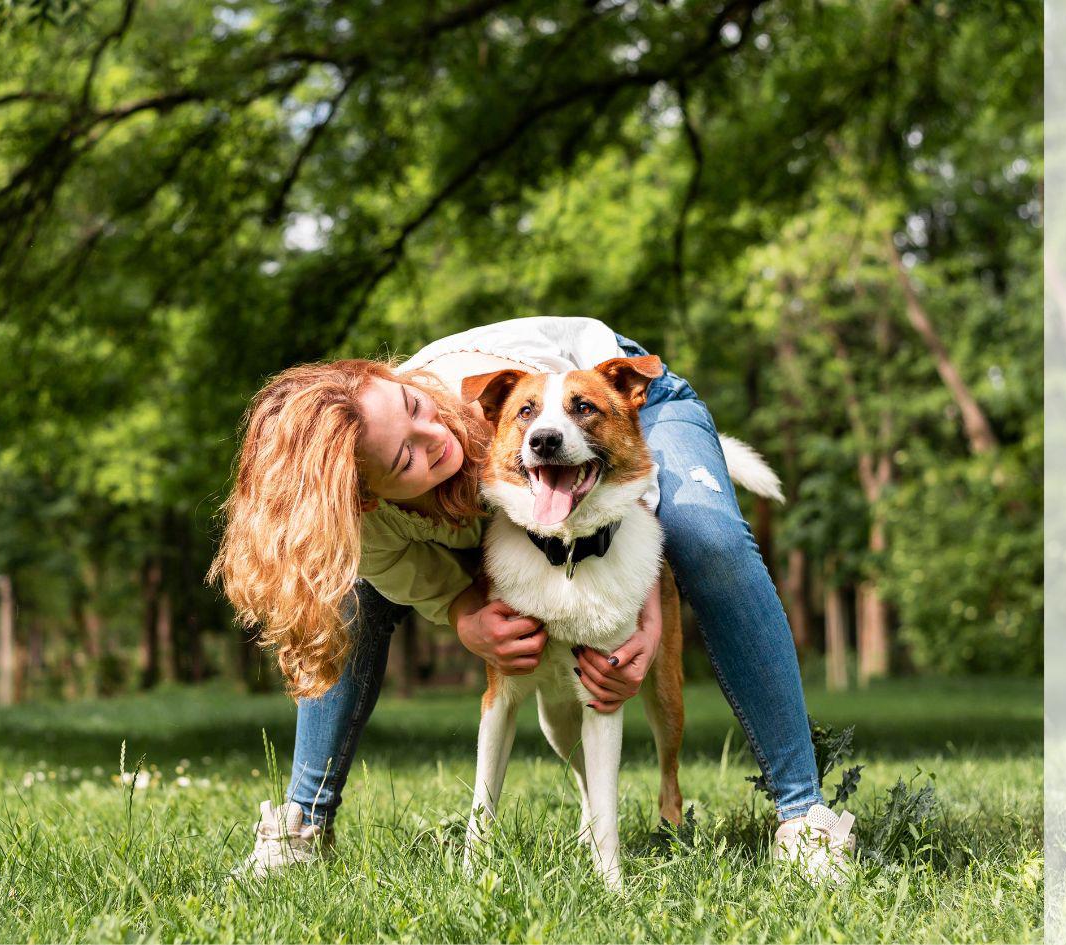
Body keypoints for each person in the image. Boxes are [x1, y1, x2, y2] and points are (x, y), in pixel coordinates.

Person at [209, 317, 856, 883]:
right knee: (353, 592)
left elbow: (600, 447)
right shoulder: (369, 526)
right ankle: (302, 822)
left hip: (623, 400)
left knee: (707, 537)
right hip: (547, 488)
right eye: (405, 456)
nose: (431, 434)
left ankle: (805, 817)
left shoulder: (492, 393)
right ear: (366, 499)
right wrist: (464, 613)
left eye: (411, 404)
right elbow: (415, 573)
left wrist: (648, 609)